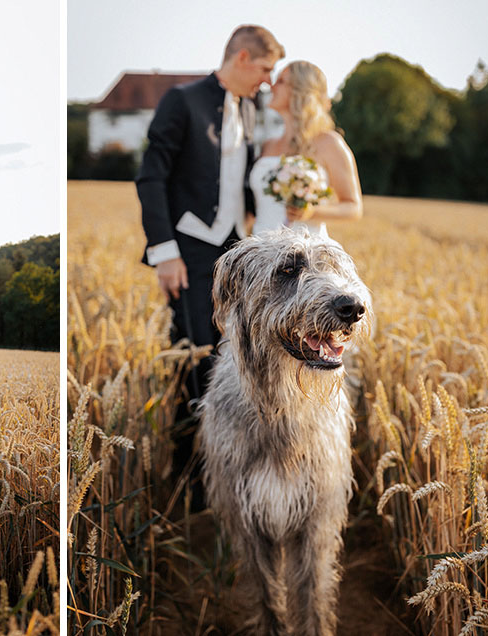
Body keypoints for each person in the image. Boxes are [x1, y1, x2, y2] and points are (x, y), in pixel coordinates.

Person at [135, 25, 284, 507]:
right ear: (242, 57)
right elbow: (151, 176)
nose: (267, 81)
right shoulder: (182, 101)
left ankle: (230, 469)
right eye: (264, 69)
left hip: (235, 254)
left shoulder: (251, 107)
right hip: (189, 251)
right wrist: (165, 251)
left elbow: (241, 181)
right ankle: (188, 484)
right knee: (193, 358)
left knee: (232, 360)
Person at [249, 60, 363, 236]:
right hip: (260, 253)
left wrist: (312, 212)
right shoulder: (267, 145)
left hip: (304, 252)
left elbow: (353, 207)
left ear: (299, 91)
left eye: (281, 81)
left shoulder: (329, 142)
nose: (272, 86)